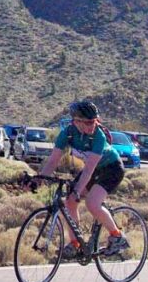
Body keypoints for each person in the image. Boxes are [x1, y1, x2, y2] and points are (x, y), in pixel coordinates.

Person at [34, 100, 128, 256]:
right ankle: (75, 243)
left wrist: (77, 190)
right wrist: (39, 179)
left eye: (94, 121)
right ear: (76, 121)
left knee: (92, 203)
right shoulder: (67, 133)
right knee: (70, 202)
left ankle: (117, 236)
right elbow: (53, 160)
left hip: (112, 168)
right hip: (94, 170)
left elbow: (89, 169)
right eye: (89, 122)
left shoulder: (98, 136)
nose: (93, 125)